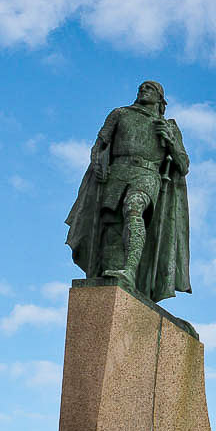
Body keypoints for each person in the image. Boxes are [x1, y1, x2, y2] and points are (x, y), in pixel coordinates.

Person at [65, 80, 191, 303]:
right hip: (118, 171)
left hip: (147, 173)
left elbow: (183, 164)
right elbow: (100, 145)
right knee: (112, 228)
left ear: (161, 99)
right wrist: (97, 164)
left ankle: (130, 271)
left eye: (150, 88)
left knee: (134, 207)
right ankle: (114, 275)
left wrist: (170, 142)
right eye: (141, 87)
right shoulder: (120, 114)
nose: (143, 90)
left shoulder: (168, 126)